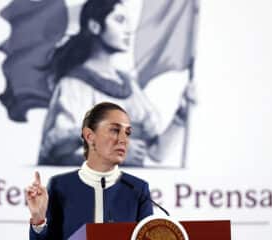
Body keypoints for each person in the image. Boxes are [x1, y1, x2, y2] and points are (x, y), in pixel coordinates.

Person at [38, 0, 191, 167]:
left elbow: (156, 153)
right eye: (119, 20)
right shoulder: (73, 85)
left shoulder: (130, 87)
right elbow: (58, 151)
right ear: (95, 26)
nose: (128, 30)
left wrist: (181, 116)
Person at [26, 102, 154, 240]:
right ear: (89, 136)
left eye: (127, 133)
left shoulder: (138, 189)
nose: (124, 140)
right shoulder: (60, 186)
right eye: (115, 130)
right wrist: (38, 220)